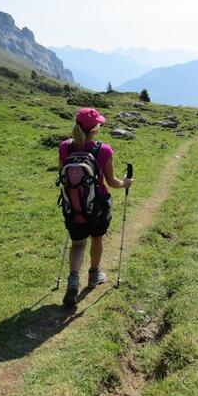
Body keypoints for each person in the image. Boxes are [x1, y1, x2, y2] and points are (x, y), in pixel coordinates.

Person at [58, 107, 133, 307]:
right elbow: (112, 182)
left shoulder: (65, 147)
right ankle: (94, 275)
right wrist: (125, 183)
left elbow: (62, 175)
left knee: (77, 244)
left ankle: (73, 279)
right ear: (95, 128)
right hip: (97, 205)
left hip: (73, 205)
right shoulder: (103, 150)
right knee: (96, 239)